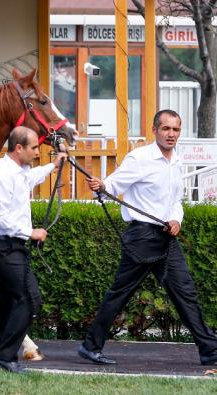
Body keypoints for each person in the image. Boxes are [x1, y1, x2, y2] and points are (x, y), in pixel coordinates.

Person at [78, 109, 217, 366]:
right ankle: (90, 346)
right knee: (120, 293)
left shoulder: (177, 161)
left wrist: (176, 219)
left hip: (166, 238)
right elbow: (114, 185)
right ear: (155, 130)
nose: (171, 134)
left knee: (185, 293)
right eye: (166, 129)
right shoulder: (139, 158)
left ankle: (209, 349)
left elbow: (176, 200)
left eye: (175, 129)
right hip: (141, 237)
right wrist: (102, 185)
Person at [0, 126, 67, 373]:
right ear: (18, 148)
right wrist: (30, 232)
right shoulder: (2, 174)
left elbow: (29, 179)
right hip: (5, 247)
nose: (38, 151)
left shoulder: (18, 170)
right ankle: (4, 356)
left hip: (7, 246)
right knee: (29, 298)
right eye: (34, 147)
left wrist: (54, 165)